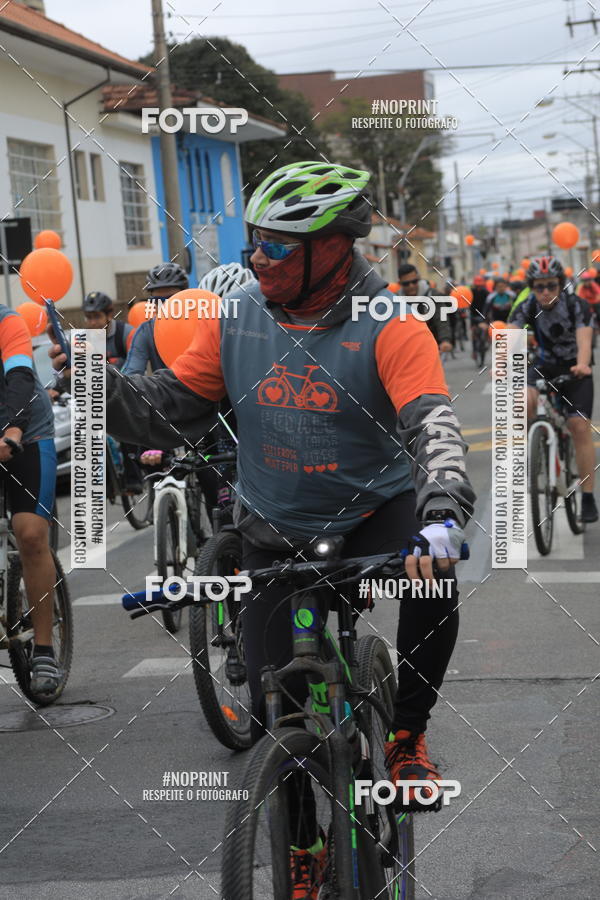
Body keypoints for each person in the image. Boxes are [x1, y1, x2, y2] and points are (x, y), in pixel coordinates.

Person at [51, 160, 475, 896]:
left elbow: (433, 427)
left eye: (277, 246)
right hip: (275, 523)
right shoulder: (237, 314)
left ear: (334, 248)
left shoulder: (391, 325)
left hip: (375, 513)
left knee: (436, 573)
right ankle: (302, 846)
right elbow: (165, 407)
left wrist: (441, 513)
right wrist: (96, 386)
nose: (257, 258)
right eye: (253, 242)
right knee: (278, 706)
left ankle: (407, 734)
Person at [508, 256, 598, 523]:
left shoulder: (576, 305)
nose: (545, 292)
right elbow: (510, 337)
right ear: (532, 288)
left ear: (560, 285)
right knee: (523, 401)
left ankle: (588, 497)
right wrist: (502, 364)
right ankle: (534, 450)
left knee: (579, 427)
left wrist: (582, 364)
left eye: (551, 285)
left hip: (575, 369)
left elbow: (584, 339)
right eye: (539, 287)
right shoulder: (526, 306)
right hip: (544, 366)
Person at [0, 304, 60, 697]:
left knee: (31, 534)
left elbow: (21, 376)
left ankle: (44, 649)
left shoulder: (7, 321)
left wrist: (12, 429)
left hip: (26, 431)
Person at [121, 262, 189, 376]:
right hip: (164, 391)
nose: (165, 306)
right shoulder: (145, 331)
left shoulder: (202, 324)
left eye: (171, 299)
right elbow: (131, 374)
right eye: (158, 300)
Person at [396, 263, 453, 353]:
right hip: (408, 349)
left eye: (414, 281)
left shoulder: (432, 295)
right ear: (400, 283)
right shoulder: (396, 300)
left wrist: (445, 340)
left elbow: (441, 319)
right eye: (406, 283)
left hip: (432, 345)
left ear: (418, 279)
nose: (411, 285)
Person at [82, 291, 134, 368]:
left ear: (109, 316)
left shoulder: (127, 333)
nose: (92, 323)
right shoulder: (82, 338)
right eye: (89, 317)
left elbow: (136, 371)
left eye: (97, 317)